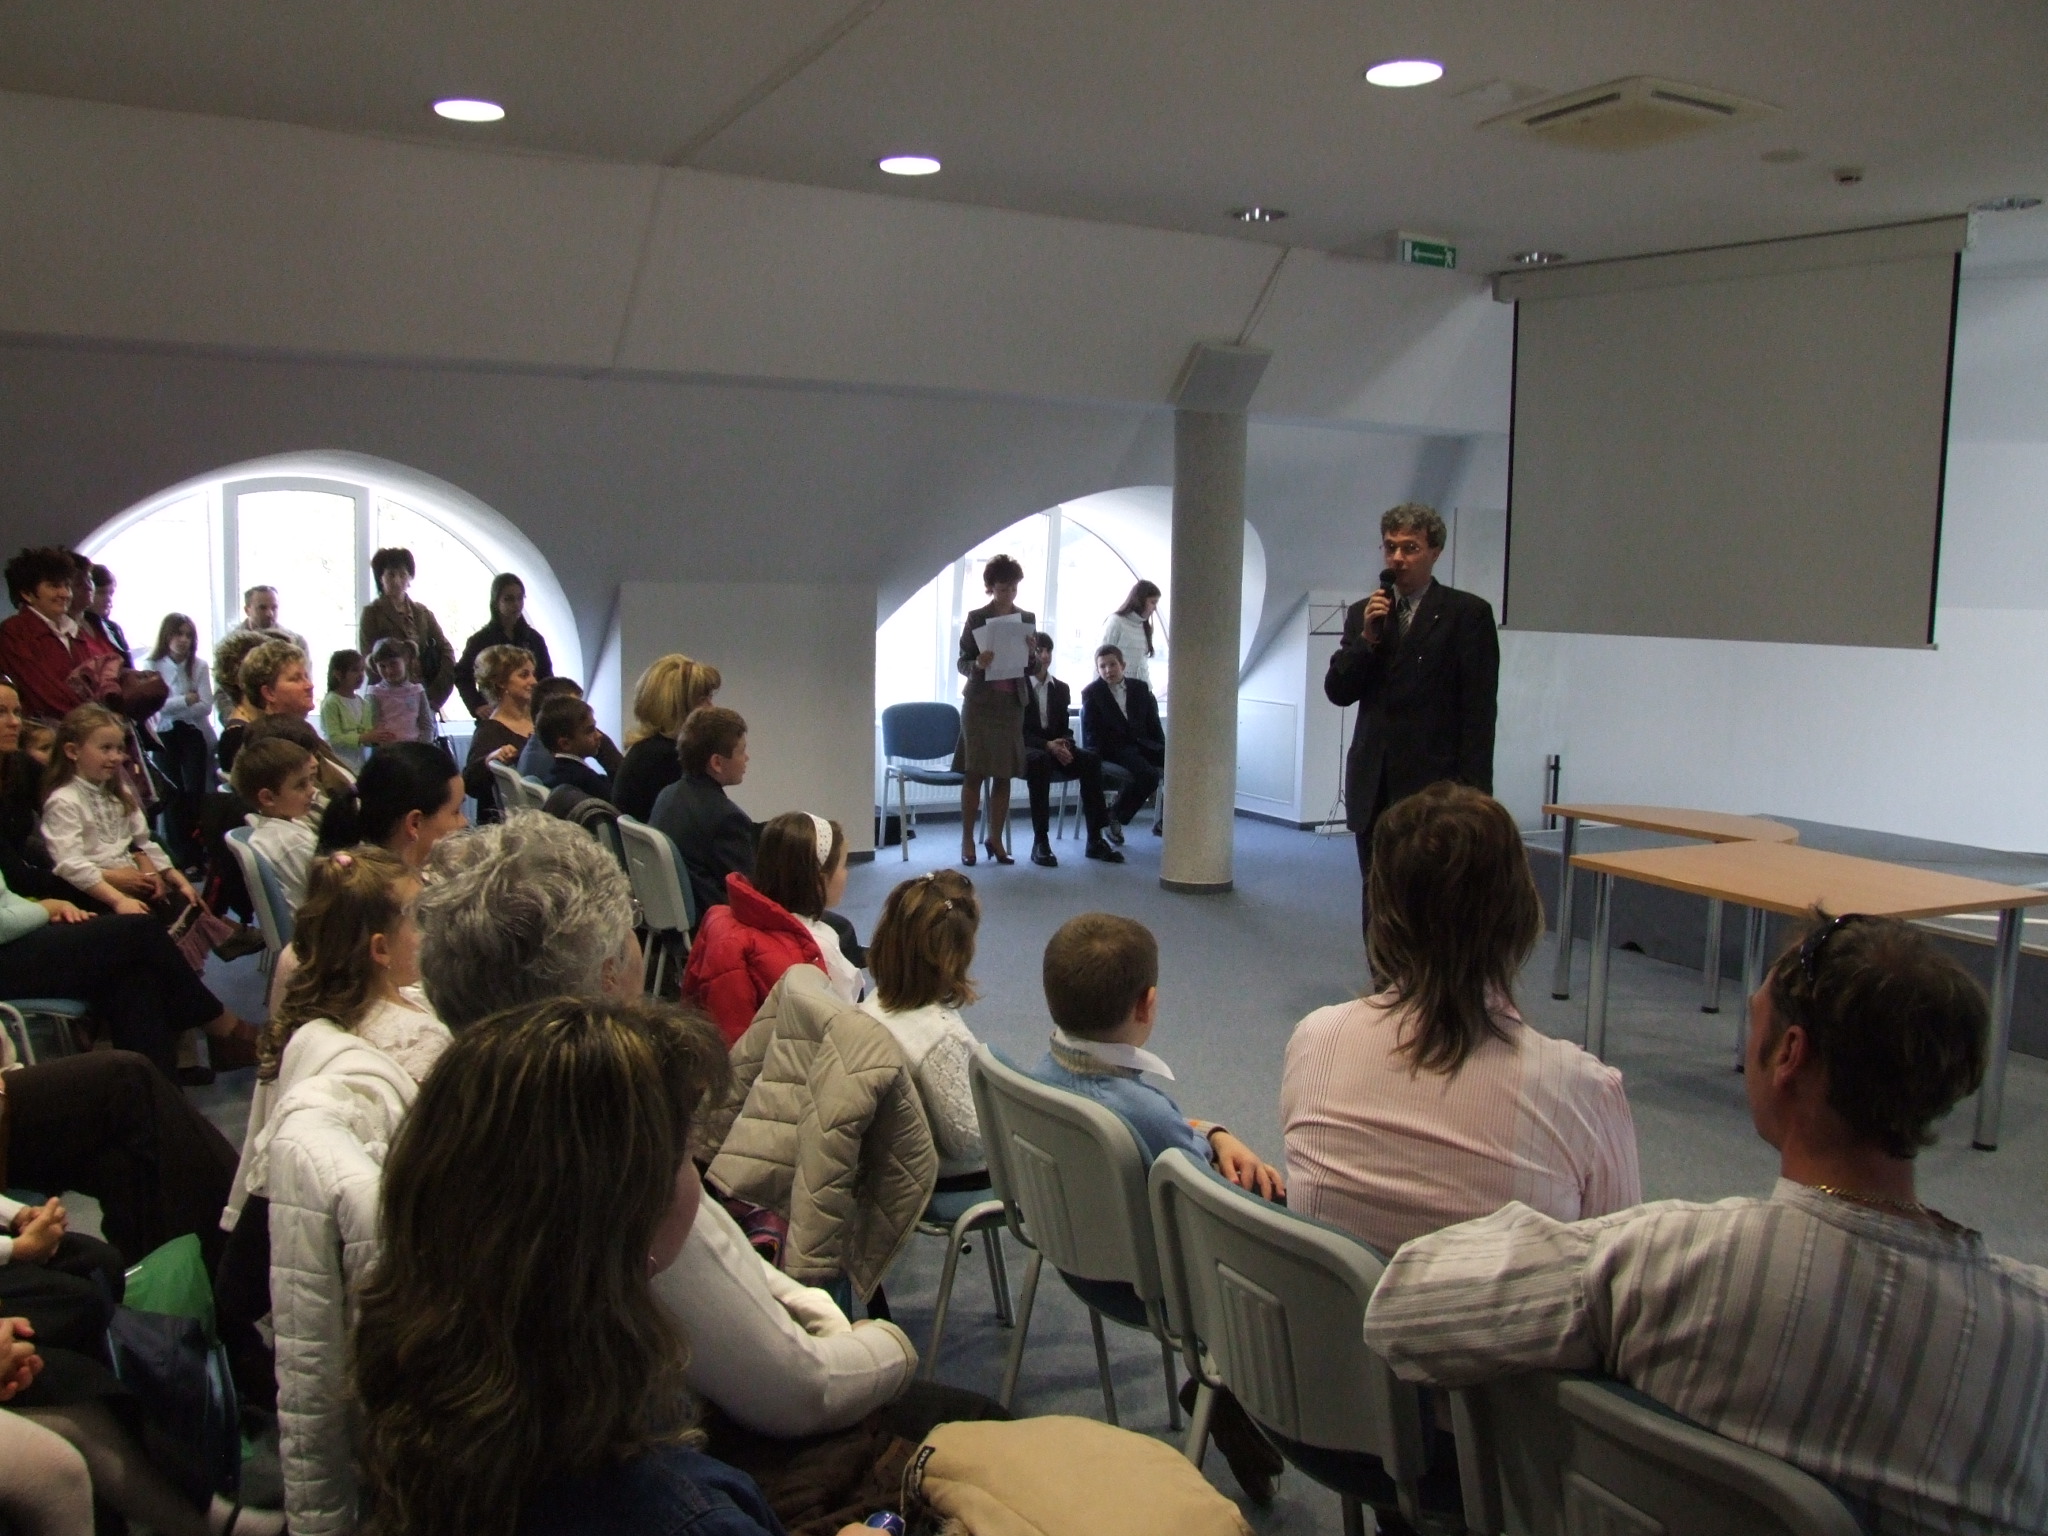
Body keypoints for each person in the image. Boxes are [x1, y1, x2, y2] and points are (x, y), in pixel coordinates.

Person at [1363, 914, 2045, 1536]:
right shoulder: (2031, 1339)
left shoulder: (1662, 1262)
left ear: (1790, 1055)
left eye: (1754, 1018)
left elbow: (1404, 1310)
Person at [410, 815, 919, 1447]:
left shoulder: (441, 1119)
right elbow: (800, 1389)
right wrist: (891, 1345)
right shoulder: (618, 1147)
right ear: (606, 976)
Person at [351, 997, 886, 1536]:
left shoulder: (410, 1412)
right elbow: (800, 1391)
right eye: (684, 1153)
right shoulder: (684, 1514)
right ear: (630, 1216)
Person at [1281, 783, 1640, 1256]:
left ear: (1382, 915)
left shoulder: (1316, 1040)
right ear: (1521, 912)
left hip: (1337, 1306)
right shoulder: (1583, 1092)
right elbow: (1617, 1269)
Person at [1025, 911, 1285, 1501]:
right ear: (1147, 1005)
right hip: (1157, 1284)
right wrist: (1221, 1144)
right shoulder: (1144, 1113)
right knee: (1278, 1208)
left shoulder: (1041, 1072)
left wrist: (1212, 1131)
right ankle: (1230, 1394)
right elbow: (1208, 1199)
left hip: (1070, 1249)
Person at [1324, 502, 1499, 944]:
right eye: (1390, 547)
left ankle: (1427, 984)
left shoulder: (1466, 615)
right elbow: (1338, 691)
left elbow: (1479, 714)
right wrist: (1366, 639)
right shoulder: (1366, 613)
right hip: (1374, 784)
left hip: (1434, 787)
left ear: (1435, 552)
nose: (1397, 558)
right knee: (1377, 900)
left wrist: (1475, 797)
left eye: (1410, 548)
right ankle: (1382, 981)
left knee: (1431, 904)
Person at [0, 861, 255, 1079]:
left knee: (133, 976)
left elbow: (5, 895)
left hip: (21, 933)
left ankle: (160, 1100)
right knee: (139, 931)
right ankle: (221, 1027)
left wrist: (47, 908)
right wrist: (45, 909)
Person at [858, 870, 993, 1222]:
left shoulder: (873, 1005)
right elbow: (967, 1141)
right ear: (956, 955)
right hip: (946, 1179)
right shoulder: (941, 1038)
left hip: (890, 1164)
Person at [683, 812, 856, 1046]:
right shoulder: (819, 945)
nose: (847, 873)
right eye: (843, 865)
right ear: (820, 880)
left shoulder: (721, 916)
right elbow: (845, 1026)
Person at [39, 704, 193, 918]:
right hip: (94, 894)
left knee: (188, 906)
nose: (116, 757)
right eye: (106, 748)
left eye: (119, 749)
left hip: (135, 883)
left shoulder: (119, 794)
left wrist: (174, 876)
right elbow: (70, 864)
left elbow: (143, 841)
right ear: (73, 751)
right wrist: (118, 900)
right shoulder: (64, 801)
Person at [954, 554, 1032, 866]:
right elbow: (962, 662)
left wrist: (1032, 654)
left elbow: (1032, 667)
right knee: (974, 773)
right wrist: (977, 663)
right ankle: (967, 839)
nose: (1008, 594)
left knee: (1004, 775)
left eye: (1013, 588)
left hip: (1011, 705)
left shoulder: (1025, 618)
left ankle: (995, 838)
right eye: (1002, 589)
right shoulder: (977, 618)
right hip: (980, 706)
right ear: (990, 587)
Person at [650, 705, 758, 921]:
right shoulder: (725, 817)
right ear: (717, 762)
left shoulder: (669, 795)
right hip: (716, 922)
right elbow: (748, 894)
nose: (747, 758)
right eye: (741, 751)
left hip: (674, 921)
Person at [1020, 632, 1118, 866]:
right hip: (1027, 749)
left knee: (1091, 760)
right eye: (1039, 650)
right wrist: (1047, 745)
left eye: (1048, 651)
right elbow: (1016, 731)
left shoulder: (1061, 688)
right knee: (1040, 761)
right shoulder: (1018, 687)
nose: (1045, 656)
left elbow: (1065, 729)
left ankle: (1095, 839)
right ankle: (1040, 842)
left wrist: (1064, 744)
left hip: (1054, 748)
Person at [0, 548, 119, 725]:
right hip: (49, 733)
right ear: (27, 593)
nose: (65, 594)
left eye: (66, 585)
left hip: (87, 728)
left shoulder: (74, 632)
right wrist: (95, 718)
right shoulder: (14, 633)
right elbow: (42, 692)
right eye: (54, 586)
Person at [0, 681, 80, 904]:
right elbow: (14, 876)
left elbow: (75, 809)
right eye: (1, 712)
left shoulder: (21, 764)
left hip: (29, 882)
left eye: (17, 712)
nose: (15, 722)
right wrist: (100, 879)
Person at [614, 654, 720, 822]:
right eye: (703, 700)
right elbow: (709, 826)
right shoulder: (669, 760)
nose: (711, 708)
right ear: (676, 707)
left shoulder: (645, 751)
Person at [147, 613, 215, 864]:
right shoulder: (151, 665)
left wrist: (174, 705)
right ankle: (179, 854)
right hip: (163, 733)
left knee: (194, 791)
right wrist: (186, 699)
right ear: (167, 636)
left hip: (192, 732)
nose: (183, 640)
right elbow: (155, 705)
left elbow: (206, 706)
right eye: (178, 634)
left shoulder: (199, 666)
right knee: (171, 793)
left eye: (188, 635)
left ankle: (198, 853)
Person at [1080, 644, 1164, 841]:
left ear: (1123, 665)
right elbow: (1092, 732)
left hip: (1144, 744)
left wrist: (1162, 747)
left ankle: (1168, 819)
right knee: (1149, 775)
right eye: (1102, 666)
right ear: (1097, 669)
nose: (1108, 670)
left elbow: (1153, 723)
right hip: (1115, 748)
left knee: (1181, 763)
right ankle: (1114, 815)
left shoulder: (1140, 688)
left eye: (1112, 664)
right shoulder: (1092, 693)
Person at [357, 547, 457, 713]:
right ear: (380, 578)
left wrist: (437, 694)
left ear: (410, 578)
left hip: (423, 695)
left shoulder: (422, 613)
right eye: (391, 575)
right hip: (386, 700)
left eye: (403, 575)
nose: (397, 581)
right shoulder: (372, 613)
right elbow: (367, 658)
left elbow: (446, 650)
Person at [230, 736, 321, 910]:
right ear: (268, 798)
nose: (312, 790)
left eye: (310, 780)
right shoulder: (290, 843)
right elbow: (333, 891)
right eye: (301, 785)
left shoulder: (279, 827)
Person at [453, 572, 553, 719]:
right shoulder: (480, 640)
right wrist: (477, 705)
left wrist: (544, 707)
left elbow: (546, 677)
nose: (516, 604)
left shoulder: (534, 639)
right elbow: (462, 675)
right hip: (495, 712)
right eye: (509, 599)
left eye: (520, 598)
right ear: (496, 602)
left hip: (529, 713)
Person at [460, 643, 536, 818]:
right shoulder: (490, 730)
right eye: (524, 675)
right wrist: (489, 759)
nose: (533, 681)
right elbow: (470, 782)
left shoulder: (539, 721)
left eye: (533, 674)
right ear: (501, 682)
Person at [220, 637, 316, 775]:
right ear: (269, 693)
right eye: (295, 679)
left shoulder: (293, 732)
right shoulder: (248, 743)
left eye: (306, 676)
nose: (309, 685)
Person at [515, 676, 622, 782]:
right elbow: (623, 784)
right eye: (574, 707)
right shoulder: (555, 768)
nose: (583, 712)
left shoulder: (537, 748)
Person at [318, 648, 382, 773]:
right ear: (338, 674)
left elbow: (367, 734)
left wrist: (377, 737)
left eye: (362, 670)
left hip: (359, 763)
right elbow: (334, 738)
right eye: (354, 670)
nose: (360, 675)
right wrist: (363, 737)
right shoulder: (331, 702)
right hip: (339, 763)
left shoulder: (363, 703)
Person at [363, 637, 435, 746]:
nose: (389, 671)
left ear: (405, 659)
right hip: (387, 750)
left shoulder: (417, 691)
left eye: (393, 664)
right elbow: (371, 728)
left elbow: (427, 726)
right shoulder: (374, 693)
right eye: (382, 666)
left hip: (415, 749)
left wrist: (421, 747)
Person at [224, 584, 310, 663]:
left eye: (274, 607)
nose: (270, 613)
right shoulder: (232, 644)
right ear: (247, 610)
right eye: (262, 608)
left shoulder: (296, 642)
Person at [1101, 578, 1161, 686]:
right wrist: (1099, 691)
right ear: (1140, 600)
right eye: (1153, 602)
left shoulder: (1144, 626)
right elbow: (1100, 657)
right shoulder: (1116, 622)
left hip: (1142, 689)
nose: (1155, 608)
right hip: (1120, 689)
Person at [82, 564, 130, 662]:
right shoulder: (73, 628)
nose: (108, 599)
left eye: (111, 593)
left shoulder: (113, 628)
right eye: (101, 593)